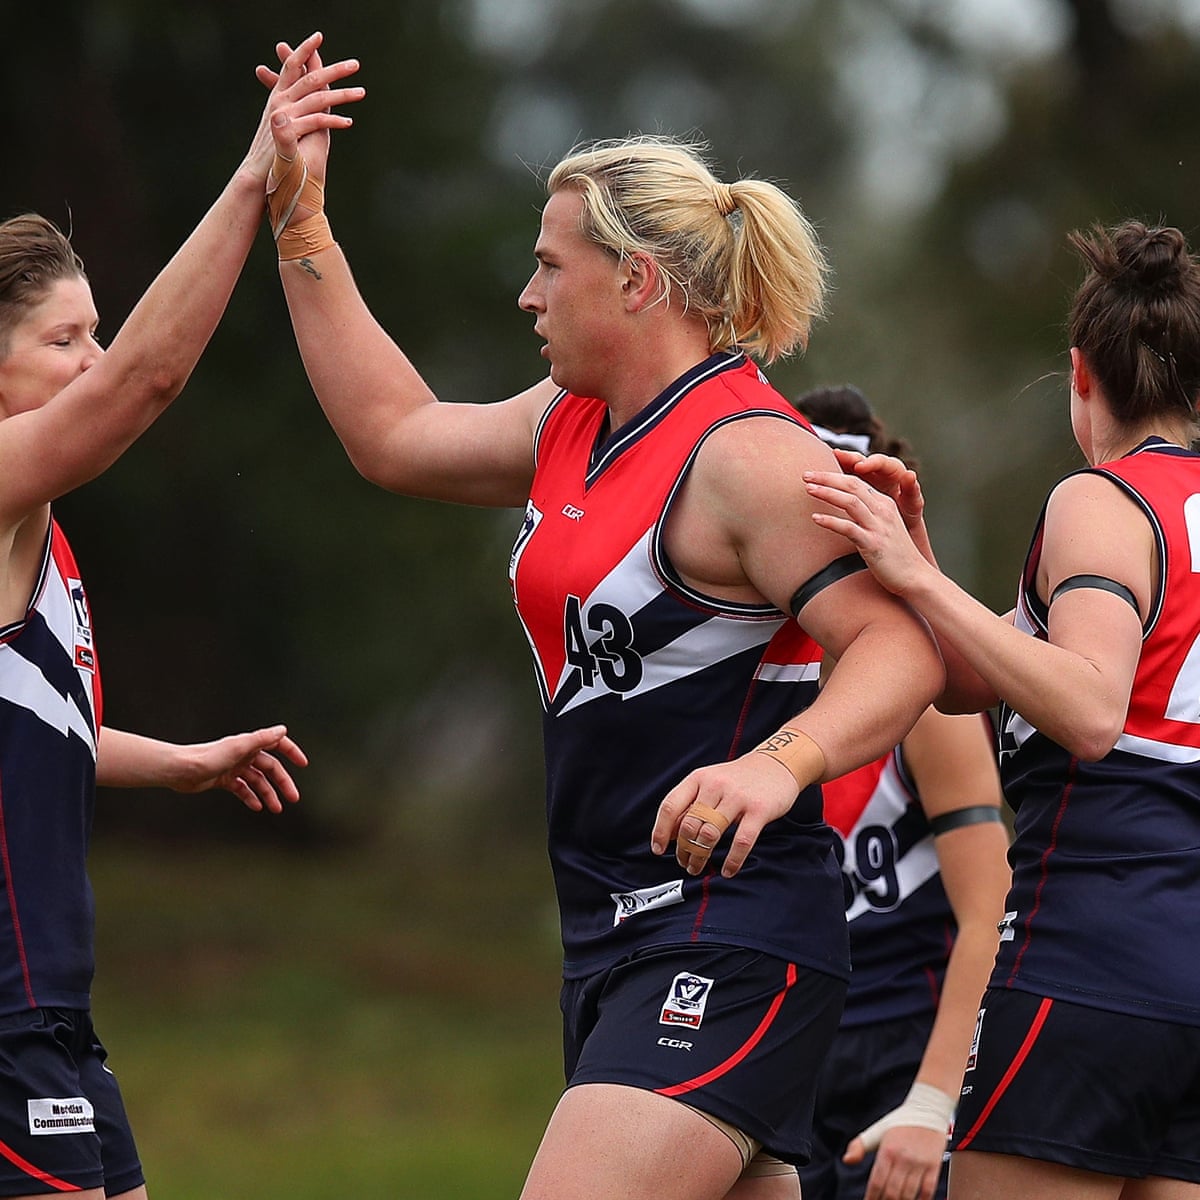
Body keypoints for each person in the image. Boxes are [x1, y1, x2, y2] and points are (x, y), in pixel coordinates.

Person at [259, 46, 945, 1199]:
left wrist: (780, 768)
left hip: (730, 932)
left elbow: (903, 646)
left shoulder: (749, 455)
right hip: (612, 935)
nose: (527, 295)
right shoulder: (572, 418)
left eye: (548, 266)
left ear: (635, 282)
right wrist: (299, 216)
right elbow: (394, 435)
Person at [0, 34, 362, 1200]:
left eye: (95, 332)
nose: (92, 362)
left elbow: (39, 725)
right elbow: (142, 385)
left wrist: (183, 763)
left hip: (55, 1017)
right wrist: (256, 181)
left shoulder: (43, 536)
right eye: (64, 341)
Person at [802, 221, 1200, 1199]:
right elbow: (977, 677)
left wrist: (909, 582)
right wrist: (924, 559)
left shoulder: (1102, 502)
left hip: (1094, 953)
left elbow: (1091, 709)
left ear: (1081, 375)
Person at [791, 387, 1011, 1200]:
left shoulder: (921, 694)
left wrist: (933, 1101)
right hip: (781, 1043)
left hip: (899, 1055)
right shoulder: (749, 679)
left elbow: (991, 910)